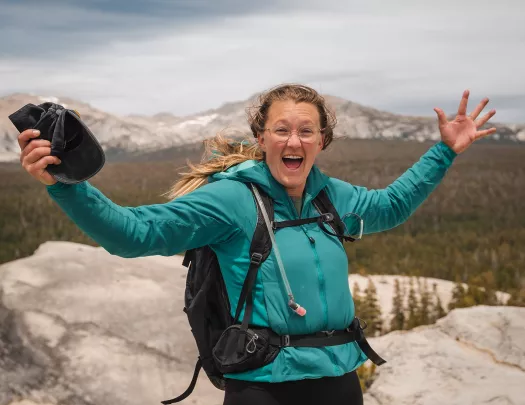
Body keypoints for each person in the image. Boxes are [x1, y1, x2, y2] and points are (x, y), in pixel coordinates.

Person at [17, 84, 496, 405]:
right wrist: (66, 185)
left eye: (306, 130)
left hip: (340, 380)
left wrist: (444, 151)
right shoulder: (231, 201)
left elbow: (391, 206)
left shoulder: (331, 196)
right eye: (282, 129)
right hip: (265, 386)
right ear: (261, 137)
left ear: (322, 140)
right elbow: (133, 233)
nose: (295, 139)